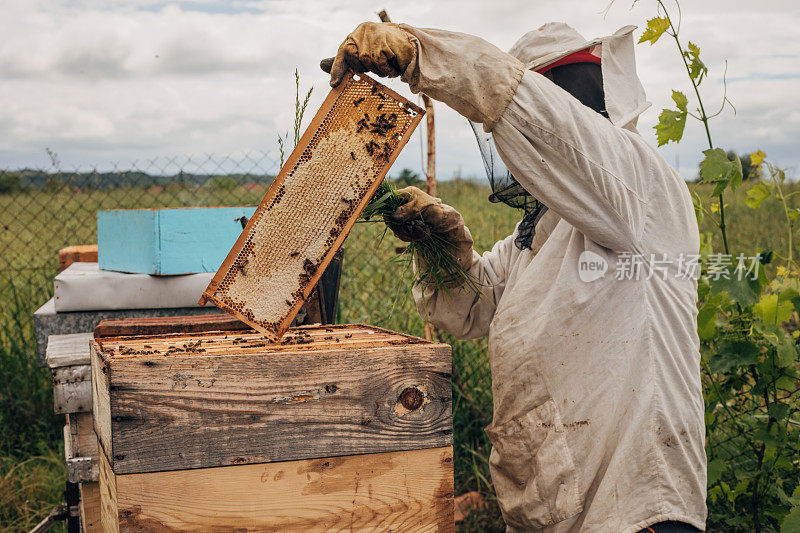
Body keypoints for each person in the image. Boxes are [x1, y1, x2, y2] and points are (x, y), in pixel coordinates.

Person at [322, 21, 706, 532]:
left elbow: (521, 103)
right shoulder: (542, 233)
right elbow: (471, 307)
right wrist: (440, 240)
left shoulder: (641, 190)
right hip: (558, 508)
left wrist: (422, 53)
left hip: (637, 512)